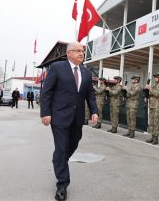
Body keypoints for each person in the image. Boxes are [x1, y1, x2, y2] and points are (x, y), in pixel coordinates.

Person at [40, 41, 98, 201]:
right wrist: (45, 113)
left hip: (77, 117)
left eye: (83, 51)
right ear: (69, 53)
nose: (82, 53)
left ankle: (59, 159)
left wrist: (94, 111)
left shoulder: (86, 72)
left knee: (72, 144)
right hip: (58, 116)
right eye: (78, 51)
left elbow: (90, 94)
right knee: (61, 147)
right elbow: (47, 92)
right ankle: (62, 185)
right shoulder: (57, 68)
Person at [145, 72, 159, 144]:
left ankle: (156, 138)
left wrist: (150, 88)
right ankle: (152, 136)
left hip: (157, 106)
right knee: (152, 122)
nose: (154, 78)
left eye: (156, 77)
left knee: (156, 122)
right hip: (152, 105)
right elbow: (151, 93)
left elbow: (157, 94)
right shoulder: (155, 85)